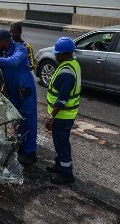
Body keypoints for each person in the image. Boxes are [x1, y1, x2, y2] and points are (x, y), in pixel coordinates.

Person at [0, 29, 38, 166]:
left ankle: (30, 153)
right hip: (13, 91)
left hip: (25, 90)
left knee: (28, 120)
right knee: (16, 119)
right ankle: (20, 147)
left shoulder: (21, 49)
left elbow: (14, 62)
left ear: (6, 42)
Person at [44, 37, 81, 185]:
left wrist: (51, 117)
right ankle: (59, 166)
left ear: (65, 54)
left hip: (62, 115)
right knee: (60, 142)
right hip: (65, 114)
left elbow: (62, 99)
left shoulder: (66, 72)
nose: (55, 56)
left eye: (57, 53)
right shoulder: (72, 64)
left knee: (62, 144)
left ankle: (67, 174)